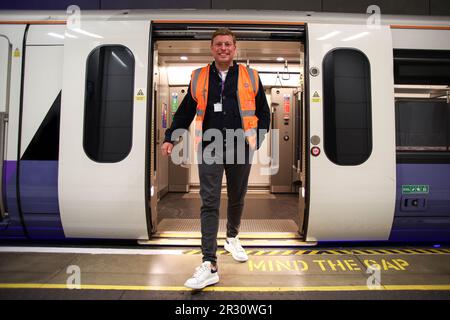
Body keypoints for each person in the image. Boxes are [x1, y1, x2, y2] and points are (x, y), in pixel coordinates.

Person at [161, 28, 270, 289]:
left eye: (228, 45)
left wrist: (258, 141)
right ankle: (209, 263)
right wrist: (170, 137)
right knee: (209, 202)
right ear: (212, 48)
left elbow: (264, 113)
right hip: (209, 146)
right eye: (219, 44)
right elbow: (186, 110)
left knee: (237, 197)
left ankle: (232, 237)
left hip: (240, 146)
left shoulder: (251, 77)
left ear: (235, 49)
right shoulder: (198, 77)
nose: (223, 48)